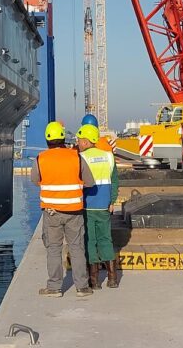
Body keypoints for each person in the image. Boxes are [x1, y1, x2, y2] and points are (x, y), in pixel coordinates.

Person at [31, 121, 96, 298]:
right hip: (74, 211)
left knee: (53, 249)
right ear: (63, 138)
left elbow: (35, 180)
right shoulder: (76, 157)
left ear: (47, 139)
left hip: (52, 212)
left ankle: (54, 287)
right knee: (76, 248)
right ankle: (82, 287)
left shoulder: (40, 159)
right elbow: (89, 182)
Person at [77, 123, 119, 289]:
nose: (78, 144)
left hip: (87, 206)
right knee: (106, 240)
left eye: (80, 141)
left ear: (86, 142)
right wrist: (112, 201)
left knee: (90, 241)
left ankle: (94, 281)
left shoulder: (82, 158)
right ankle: (112, 278)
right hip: (104, 206)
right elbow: (114, 181)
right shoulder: (109, 156)